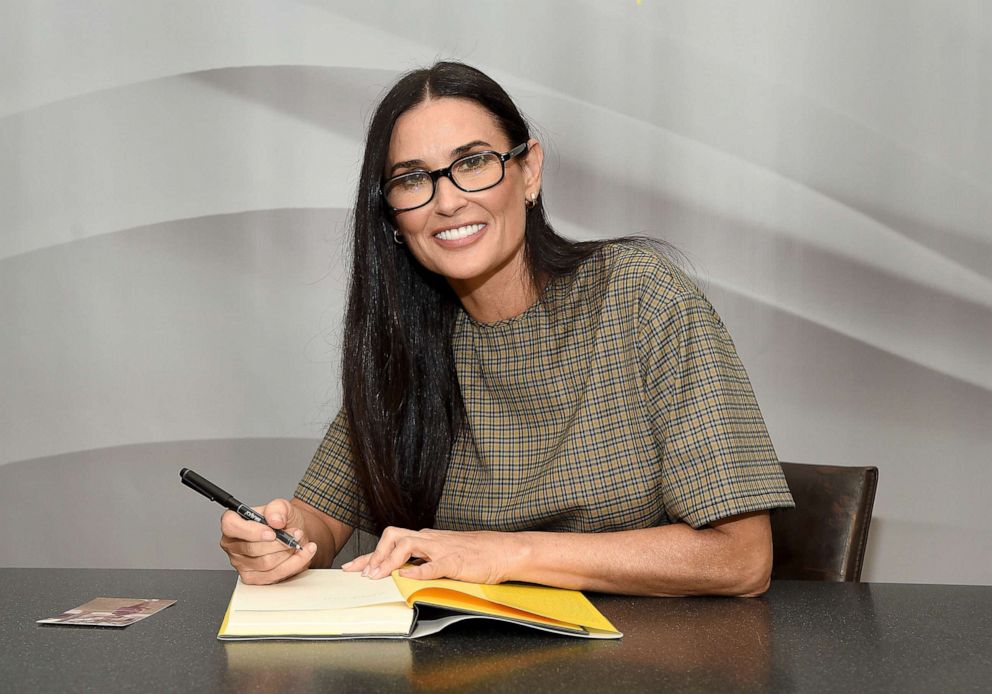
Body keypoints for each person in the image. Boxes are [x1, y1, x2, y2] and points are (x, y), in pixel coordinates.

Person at [219, 61, 794, 596]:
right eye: (413, 179)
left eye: (472, 163)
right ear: (393, 217)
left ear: (529, 171)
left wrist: (502, 554)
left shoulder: (639, 295)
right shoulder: (408, 340)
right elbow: (321, 522)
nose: (446, 201)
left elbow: (741, 559)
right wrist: (282, 538)